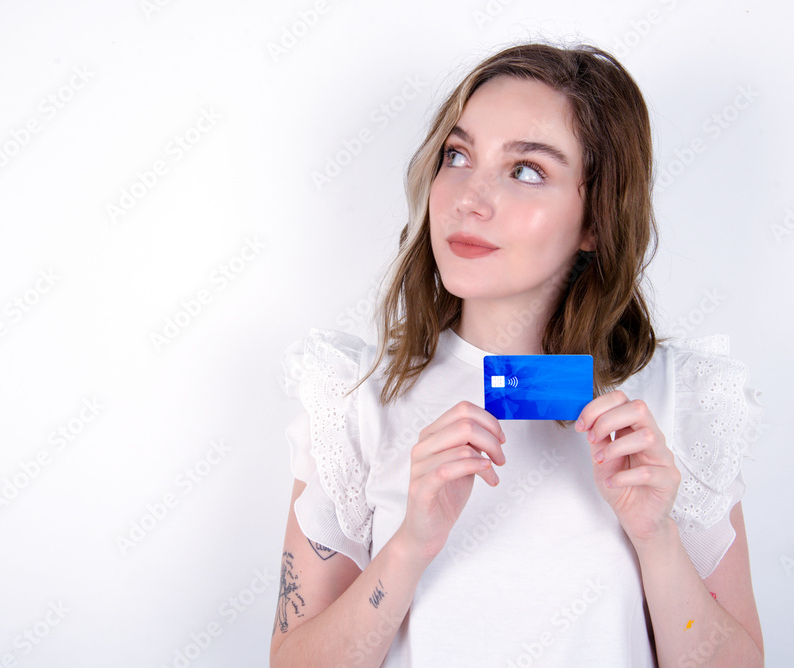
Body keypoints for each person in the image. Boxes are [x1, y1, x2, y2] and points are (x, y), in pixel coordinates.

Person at [270, 39, 766, 667]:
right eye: (457, 155)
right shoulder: (357, 397)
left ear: (596, 220)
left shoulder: (681, 399)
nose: (469, 198)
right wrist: (409, 547)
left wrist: (657, 538)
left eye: (526, 169)